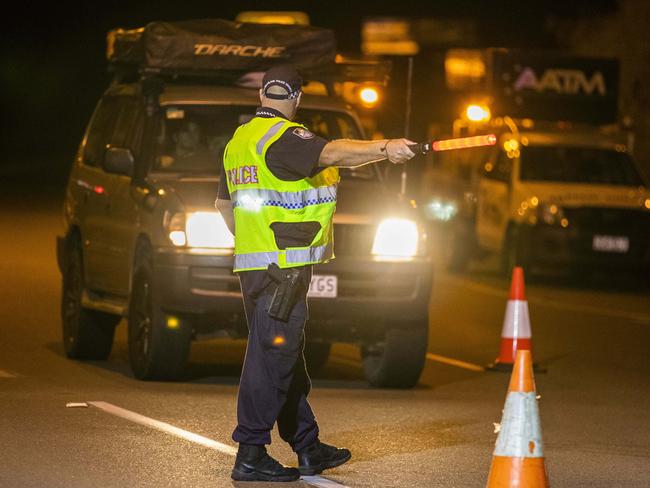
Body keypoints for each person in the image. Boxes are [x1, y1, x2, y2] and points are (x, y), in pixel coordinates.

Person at [216, 65, 416, 482]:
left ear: (261, 97)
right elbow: (335, 153)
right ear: (297, 99)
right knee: (272, 356)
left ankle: (307, 447)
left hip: (258, 265)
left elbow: (223, 206)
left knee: (284, 356)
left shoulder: (240, 142)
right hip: (284, 269)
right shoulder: (286, 136)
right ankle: (250, 452)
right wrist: (387, 146)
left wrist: (256, 243)